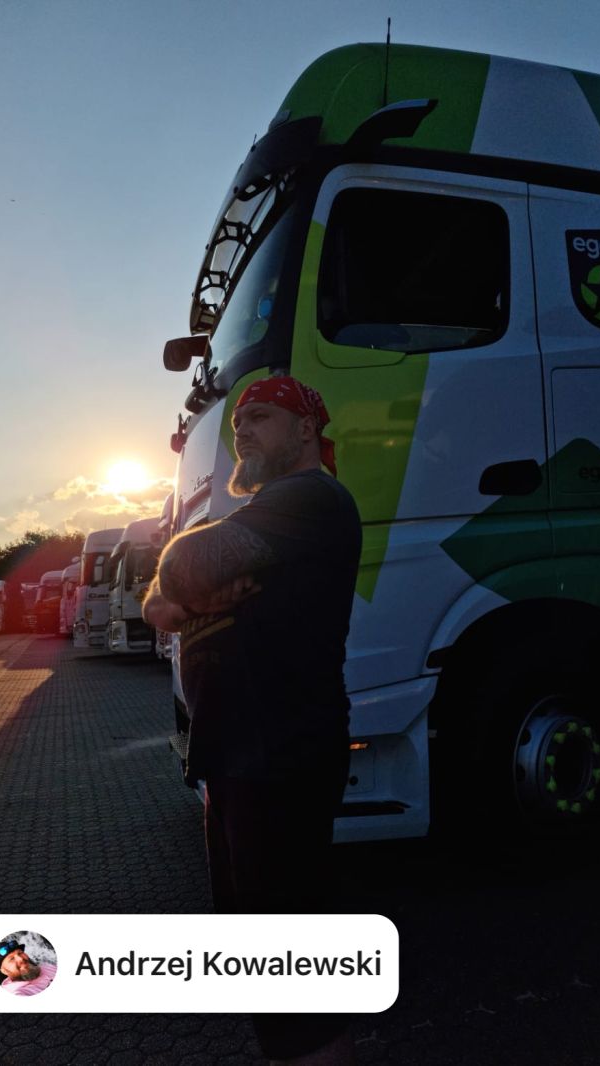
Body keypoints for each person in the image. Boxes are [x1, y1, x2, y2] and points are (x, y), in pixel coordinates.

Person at [144, 376, 362, 1066]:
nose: (243, 431)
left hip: (281, 754)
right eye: (239, 422)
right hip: (239, 752)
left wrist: (185, 585)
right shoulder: (264, 513)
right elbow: (161, 595)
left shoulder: (312, 497)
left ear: (306, 431)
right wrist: (178, 592)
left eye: (262, 418)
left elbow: (184, 565)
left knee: (291, 971)